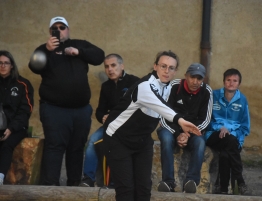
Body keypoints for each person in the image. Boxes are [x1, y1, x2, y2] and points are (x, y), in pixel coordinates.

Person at [102, 50, 202, 201]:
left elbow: (160, 115)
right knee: (126, 191)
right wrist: (181, 121)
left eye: (171, 68)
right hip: (118, 140)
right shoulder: (144, 86)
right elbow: (160, 106)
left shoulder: (168, 87)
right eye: (163, 66)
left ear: (176, 71)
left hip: (142, 141)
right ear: (155, 66)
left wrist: (179, 132)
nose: (166, 71)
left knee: (143, 189)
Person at [28, 16, 105, 186]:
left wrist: (79, 52)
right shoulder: (43, 49)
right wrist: (47, 50)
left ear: (68, 29)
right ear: (50, 32)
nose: (59, 30)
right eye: (55, 28)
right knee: (54, 147)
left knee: (76, 149)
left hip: (80, 110)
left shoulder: (79, 44)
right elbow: (34, 66)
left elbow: (99, 56)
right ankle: (50, 187)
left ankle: (74, 187)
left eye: (62, 27)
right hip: (54, 109)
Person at [79, 53, 139, 187]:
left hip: (129, 128)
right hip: (110, 126)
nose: (110, 70)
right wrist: (103, 117)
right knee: (92, 141)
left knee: (117, 147)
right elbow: (100, 110)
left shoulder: (134, 82)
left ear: (122, 66)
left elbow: (140, 108)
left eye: (113, 65)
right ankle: (88, 179)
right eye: (106, 67)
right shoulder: (106, 86)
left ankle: (114, 182)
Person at [157, 63, 213, 193]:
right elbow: (163, 114)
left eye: (199, 78)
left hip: (193, 132)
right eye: (192, 77)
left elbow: (205, 119)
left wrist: (188, 134)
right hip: (170, 128)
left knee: (200, 142)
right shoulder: (173, 86)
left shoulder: (207, 91)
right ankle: (168, 182)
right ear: (185, 76)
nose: (195, 81)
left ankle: (191, 181)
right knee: (166, 139)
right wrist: (178, 134)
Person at [205, 68, 250, 195]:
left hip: (233, 138)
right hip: (213, 135)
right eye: (228, 80)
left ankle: (223, 190)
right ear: (224, 81)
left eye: (235, 81)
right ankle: (240, 181)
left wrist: (230, 131)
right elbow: (207, 120)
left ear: (239, 84)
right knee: (229, 141)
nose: (231, 83)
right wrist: (220, 128)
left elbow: (245, 127)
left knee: (226, 153)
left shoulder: (242, 100)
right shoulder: (213, 95)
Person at [0, 50, 34, 185]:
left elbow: (26, 110)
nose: (3, 66)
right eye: (0, 63)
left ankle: (0, 177)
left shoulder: (22, 84)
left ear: (12, 65)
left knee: (6, 145)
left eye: (6, 63)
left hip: (16, 127)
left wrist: (11, 128)